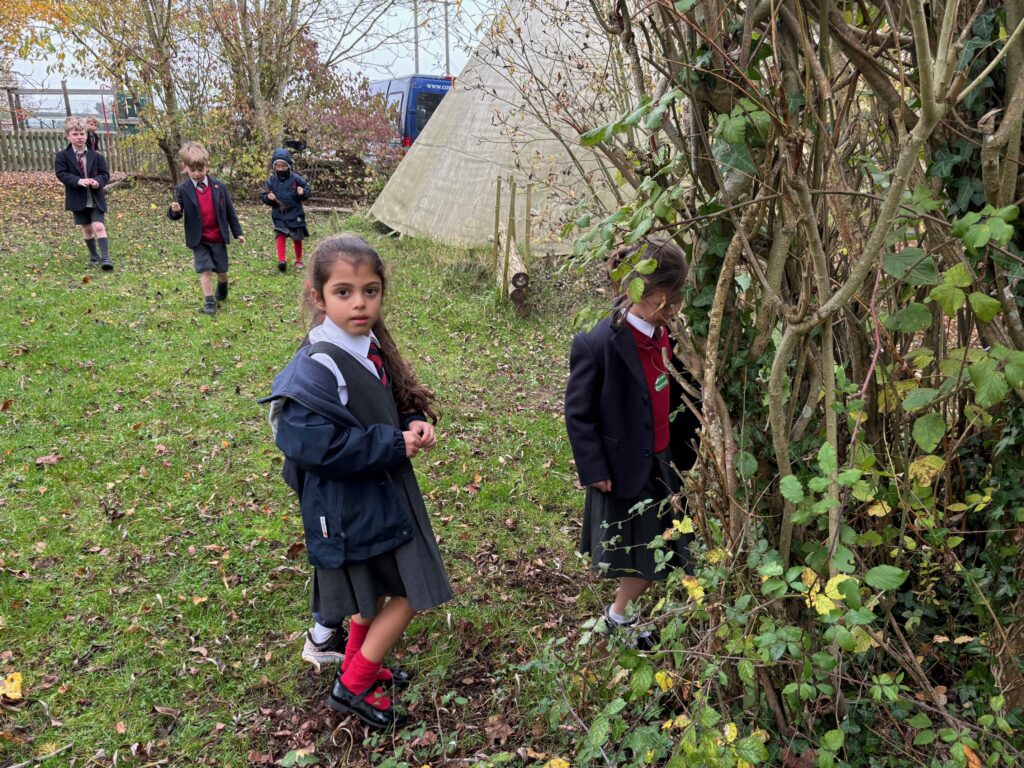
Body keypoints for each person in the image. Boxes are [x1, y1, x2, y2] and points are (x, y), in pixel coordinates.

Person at [262, 234, 452, 729]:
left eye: (370, 290)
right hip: (353, 506)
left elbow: (380, 406)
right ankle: (354, 685)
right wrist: (391, 445)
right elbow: (313, 446)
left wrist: (411, 420)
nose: (360, 303)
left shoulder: (367, 345)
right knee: (411, 590)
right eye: (343, 292)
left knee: (374, 591)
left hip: (380, 494)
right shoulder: (317, 366)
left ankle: (354, 663)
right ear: (317, 296)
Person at [564, 238, 701, 649]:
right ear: (655, 295)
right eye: (673, 301)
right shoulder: (599, 342)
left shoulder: (666, 334)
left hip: (664, 458)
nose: (677, 310)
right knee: (644, 550)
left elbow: (678, 389)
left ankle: (623, 613)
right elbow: (579, 414)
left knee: (665, 542)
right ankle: (618, 617)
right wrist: (594, 468)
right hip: (625, 465)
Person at [167, 142, 245, 315]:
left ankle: (223, 285)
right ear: (184, 167)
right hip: (199, 239)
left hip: (217, 237)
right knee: (205, 269)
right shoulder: (182, 189)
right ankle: (209, 302)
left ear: (207, 167)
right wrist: (174, 211)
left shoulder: (219, 187)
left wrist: (238, 233)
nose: (196, 174)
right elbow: (175, 213)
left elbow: (230, 212)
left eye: (200, 170)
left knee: (221, 270)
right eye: (192, 170)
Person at [54, 116, 113, 270]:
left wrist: (97, 182)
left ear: (87, 135)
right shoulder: (62, 156)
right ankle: (94, 256)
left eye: (82, 134)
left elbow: (105, 174)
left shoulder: (96, 155)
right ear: (67, 136)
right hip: (78, 198)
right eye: (75, 134)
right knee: (87, 228)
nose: (79, 137)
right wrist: (78, 181)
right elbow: (61, 174)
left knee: (98, 226)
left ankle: (106, 258)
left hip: (95, 198)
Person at [262, 147, 311, 272]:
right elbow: (263, 195)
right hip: (279, 213)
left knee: (297, 236)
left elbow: (307, 190)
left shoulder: (296, 179)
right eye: (277, 166)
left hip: (295, 212)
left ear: (289, 165)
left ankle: (299, 259)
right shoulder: (272, 180)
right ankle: (281, 260)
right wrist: (269, 197)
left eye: (283, 166)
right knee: (280, 234)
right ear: (274, 167)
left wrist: (302, 192)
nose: (280, 169)